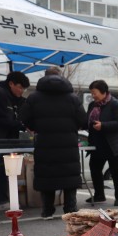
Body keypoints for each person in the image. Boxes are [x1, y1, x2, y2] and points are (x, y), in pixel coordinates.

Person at [20, 69, 86, 219]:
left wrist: (36, 126)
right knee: (69, 174)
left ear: (44, 77)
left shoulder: (34, 97)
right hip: (68, 143)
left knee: (47, 175)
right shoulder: (72, 98)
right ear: (61, 77)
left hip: (44, 142)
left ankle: (47, 210)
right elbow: (83, 120)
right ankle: (70, 208)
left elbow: (24, 117)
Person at [85, 80, 118, 207]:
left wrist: (103, 126)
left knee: (117, 172)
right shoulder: (92, 105)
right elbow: (87, 120)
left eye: (95, 93)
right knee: (95, 169)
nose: (93, 96)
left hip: (114, 145)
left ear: (104, 92)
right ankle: (99, 195)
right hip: (97, 144)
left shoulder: (115, 104)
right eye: (91, 93)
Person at [0, 71, 30, 210]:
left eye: (23, 88)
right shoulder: (0, 94)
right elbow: (4, 119)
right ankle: (1, 200)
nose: (21, 90)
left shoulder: (12, 97)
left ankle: (4, 199)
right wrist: (23, 125)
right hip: (1, 141)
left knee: (5, 170)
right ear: (11, 84)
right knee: (1, 170)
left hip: (7, 140)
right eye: (19, 87)